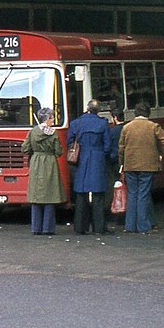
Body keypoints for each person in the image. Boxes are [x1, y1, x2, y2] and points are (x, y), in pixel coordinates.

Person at [118, 101, 164, 234]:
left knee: (132, 195)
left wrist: (122, 163)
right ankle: (143, 226)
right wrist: (160, 154)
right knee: (143, 195)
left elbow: (121, 148)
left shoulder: (127, 127)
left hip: (130, 165)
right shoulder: (153, 126)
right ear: (148, 113)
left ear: (135, 113)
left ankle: (129, 226)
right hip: (148, 165)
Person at [67, 99, 113, 235]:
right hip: (97, 159)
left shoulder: (76, 123)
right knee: (98, 196)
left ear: (87, 109)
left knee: (81, 194)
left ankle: (80, 227)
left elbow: (69, 141)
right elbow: (107, 145)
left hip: (81, 158)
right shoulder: (102, 124)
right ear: (98, 111)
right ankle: (99, 228)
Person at [21, 107, 64, 235]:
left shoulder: (33, 132)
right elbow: (58, 151)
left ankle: (36, 227)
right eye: (52, 118)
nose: (52, 120)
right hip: (50, 162)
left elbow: (25, 149)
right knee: (50, 195)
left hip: (36, 162)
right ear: (48, 119)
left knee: (36, 195)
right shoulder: (53, 133)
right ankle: (48, 228)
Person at [105, 108, 125, 229]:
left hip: (114, 162)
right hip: (126, 162)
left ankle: (117, 213)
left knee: (115, 189)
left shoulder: (112, 132)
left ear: (115, 118)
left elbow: (109, 147)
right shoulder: (127, 129)